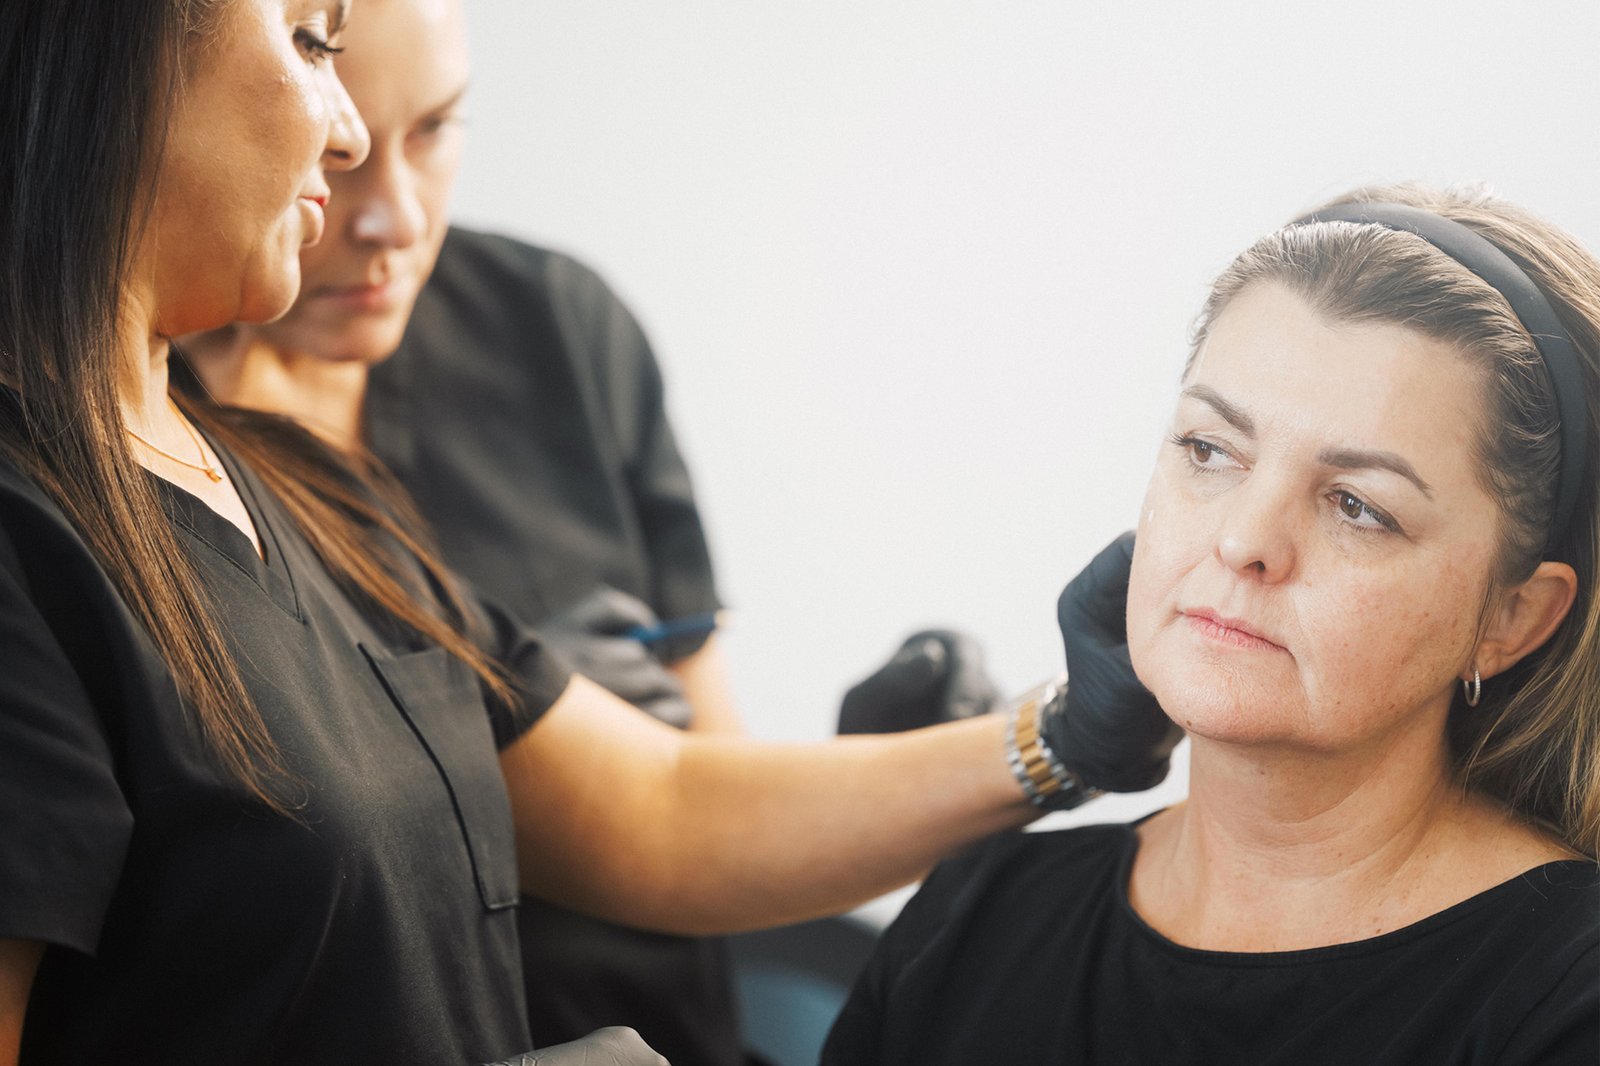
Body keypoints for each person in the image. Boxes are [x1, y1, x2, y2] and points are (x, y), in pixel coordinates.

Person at [0, 2, 1177, 1063]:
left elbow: (668, 809)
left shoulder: (291, 487)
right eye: (309, 40)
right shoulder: (28, 547)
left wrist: (1066, 733)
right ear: (107, 49)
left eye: (432, 125)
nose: (349, 138)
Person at [821, 185, 1600, 1065]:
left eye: (1357, 506)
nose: (1243, 540)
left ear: (1512, 618)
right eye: (1209, 450)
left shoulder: (1569, 1001)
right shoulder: (976, 920)